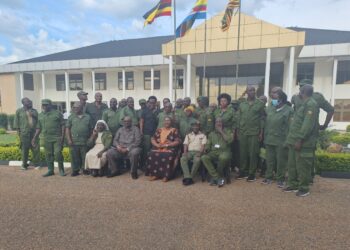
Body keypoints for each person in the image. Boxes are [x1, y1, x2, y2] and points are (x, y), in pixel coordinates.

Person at [291, 78, 335, 183]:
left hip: (310, 132)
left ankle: (307, 178)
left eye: (303, 86)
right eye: (301, 86)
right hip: (299, 131)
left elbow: (330, 110)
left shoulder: (316, 98)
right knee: (299, 155)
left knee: (307, 155)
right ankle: (301, 177)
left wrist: (324, 125)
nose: (301, 88)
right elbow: (294, 112)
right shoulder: (295, 98)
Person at [283, 84, 318, 197]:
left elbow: (307, 124)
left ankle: (304, 188)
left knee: (303, 166)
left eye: (299, 90)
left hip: (303, 142)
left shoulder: (311, 104)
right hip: (294, 140)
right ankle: (292, 184)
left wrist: (300, 139)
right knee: (292, 164)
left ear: (302, 92)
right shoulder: (304, 104)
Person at [262, 89, 293, 187]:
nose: (273, 100)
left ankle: (280, 178)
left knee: (281, 161)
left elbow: (290, 127)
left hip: (281, 140)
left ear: (281, 99)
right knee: (269, 160)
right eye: (272, 98)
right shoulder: (270, 108)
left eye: (275, 98)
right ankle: (269, 177)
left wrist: (288, 140)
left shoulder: (288, 110)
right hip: (269, 138)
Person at [237, 86, 265, 182]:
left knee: (253, 153)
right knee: (243, 153)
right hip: (243, 132)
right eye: (250, 90)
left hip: (254, 132)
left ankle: (252, 173)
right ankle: (243, 171)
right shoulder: (242, 104)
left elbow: (262, 118)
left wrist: (261, 132)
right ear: (247, 92)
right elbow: (239, 118)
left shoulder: (260, 104)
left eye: (253, 90)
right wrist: (237, 131)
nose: (252, 92)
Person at [32, 99, 65, 177]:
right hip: (46, 138)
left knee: (58, 153)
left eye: (46, 105)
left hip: (57, 137)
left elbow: (63, 125)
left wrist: (62, 137)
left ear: (50, 105)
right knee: (48, 155)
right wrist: (34, 138)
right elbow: (38, 128)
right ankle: (50, 170)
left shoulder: (57, 114)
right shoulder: (40, 115)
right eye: (43, 105)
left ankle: (61, 169)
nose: (44, 106)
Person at [145, 117, 181, 182]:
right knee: (152, 154)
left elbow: (177, 141)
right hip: (158, 147)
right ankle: (155, 174)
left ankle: (166, 176)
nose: (167, 122)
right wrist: (156, 145)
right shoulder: (159, 130)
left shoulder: (174, 130)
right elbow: (153, 139)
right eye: (165, 121)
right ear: (163, 122)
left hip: (169, 148)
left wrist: (167, 145)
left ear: (171, 122)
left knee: (167, 155)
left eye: (168, 120)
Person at [201, 118, 233, 187]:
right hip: (214, 152)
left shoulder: (228, 131)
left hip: (225, 152)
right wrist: (206, 149)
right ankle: (217, 177)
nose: (218, 123)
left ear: (222, 123)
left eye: (220, 122)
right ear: (215, 124)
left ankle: (215, 177)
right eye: (217, 122)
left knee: (223, 158)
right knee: (204, 157)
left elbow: (230, 141)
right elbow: (208, 144)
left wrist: (221, 132)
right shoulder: (211, 134)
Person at [66, 102, 93, 176]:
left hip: (84, 141)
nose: (75, 109)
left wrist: (91, 138)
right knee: (74, 156)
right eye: (74, 107)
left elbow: (91, 129)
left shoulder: (88, 117)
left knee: (84, 156)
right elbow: (67, 128)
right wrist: (69, 139)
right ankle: (75, 170)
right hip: (74, 141)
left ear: (82, 108)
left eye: (77, 107)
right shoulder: (71, 117)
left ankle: (85, 169)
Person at [14, 98, 40, 170]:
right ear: (23, 103)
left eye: (29, 101)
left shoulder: (34, 111)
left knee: (35, 148)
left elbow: (38, 119)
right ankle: (24, 165)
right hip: (24, 133)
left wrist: (32, 114)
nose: (29, 102)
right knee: (24, 149)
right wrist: (18, 133)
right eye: (27, 101)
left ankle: (36, 164)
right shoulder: (19, 111)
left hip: (34, 133)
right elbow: (16, 123)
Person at [180, 121, 207, 186]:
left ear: (199, 127)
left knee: (197, 160)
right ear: (192, 127)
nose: (195, 127)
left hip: (198, 152)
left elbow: (203, 145)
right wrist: (185, 152)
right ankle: (188, 177)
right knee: (183, 159)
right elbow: (185, 144)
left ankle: (190, 177)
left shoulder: (203, 135)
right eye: (194, 126)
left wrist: (200, 153)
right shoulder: (188, 135)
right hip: (189, 152)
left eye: (197, 126)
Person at [140, 96, 159, 169]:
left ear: (155, 103)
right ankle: (144, 166)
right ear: (148, 102)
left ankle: (153, 165)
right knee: (146, 150)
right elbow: (141, 121)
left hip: (155, 134)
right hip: (146, 133)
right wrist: (141, 131)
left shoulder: (158, 111)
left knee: (154, 150)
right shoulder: (145, 111)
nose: (152, 104)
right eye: (150, 102)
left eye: (153, 103)